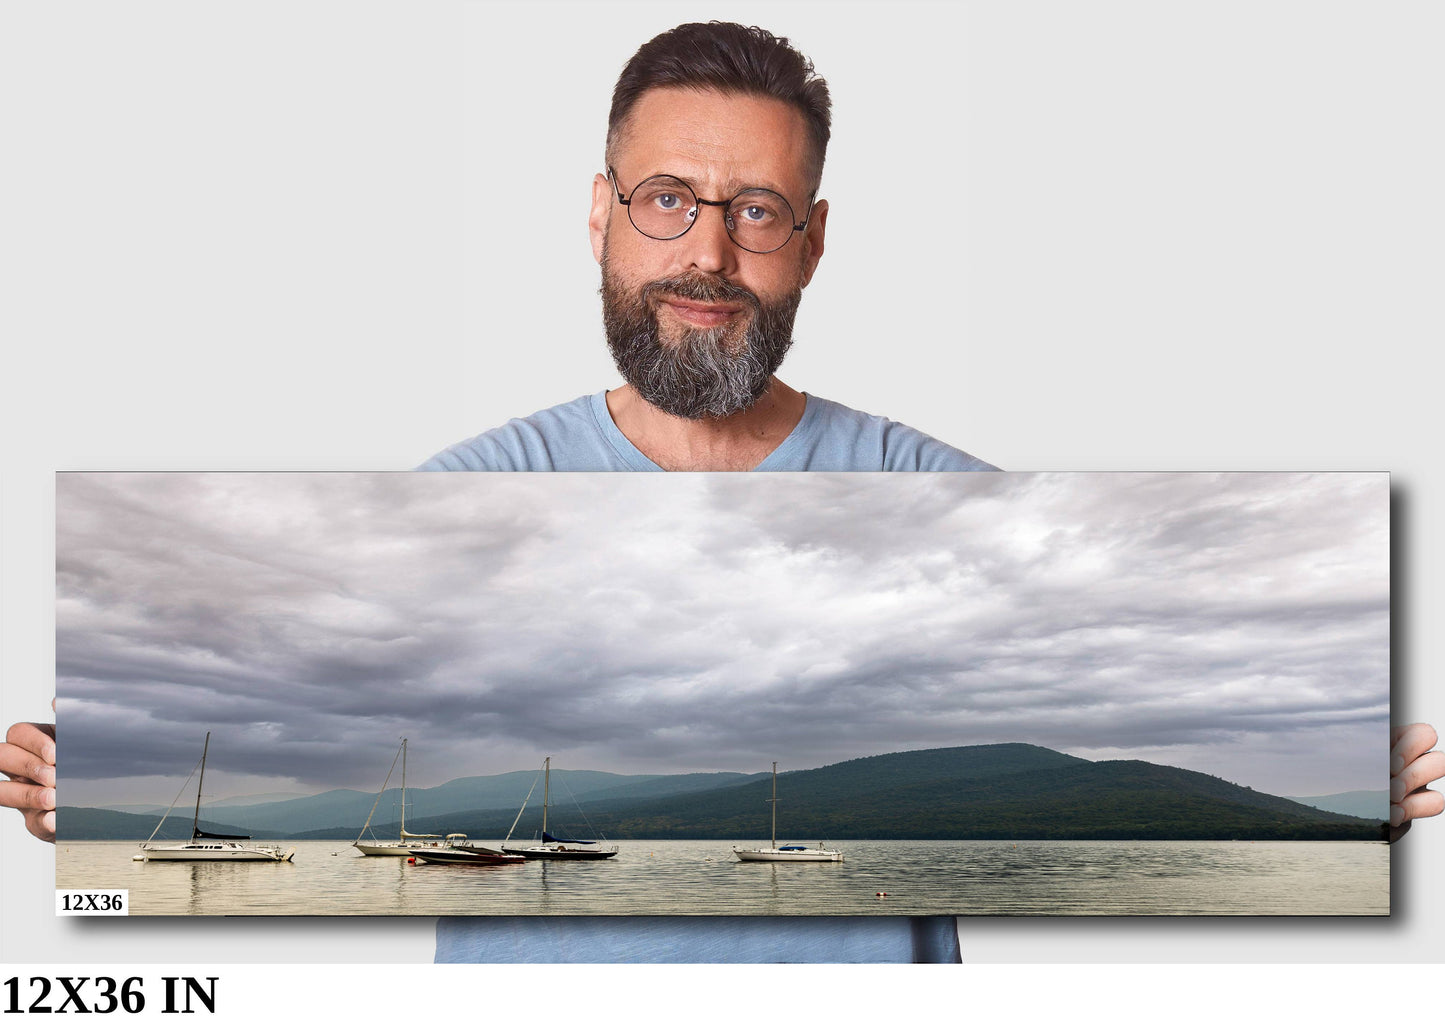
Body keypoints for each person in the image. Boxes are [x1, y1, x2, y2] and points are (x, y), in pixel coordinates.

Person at [5, 21, 1443, 963]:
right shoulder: (458, 498)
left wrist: (1356, 745)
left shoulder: (937, 493)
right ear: (599, 212)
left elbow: (1157, 658)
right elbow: (256, 676)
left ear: (810, 242)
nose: (708, 253)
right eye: (668, 199)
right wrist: (91, 783)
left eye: (755, 211)